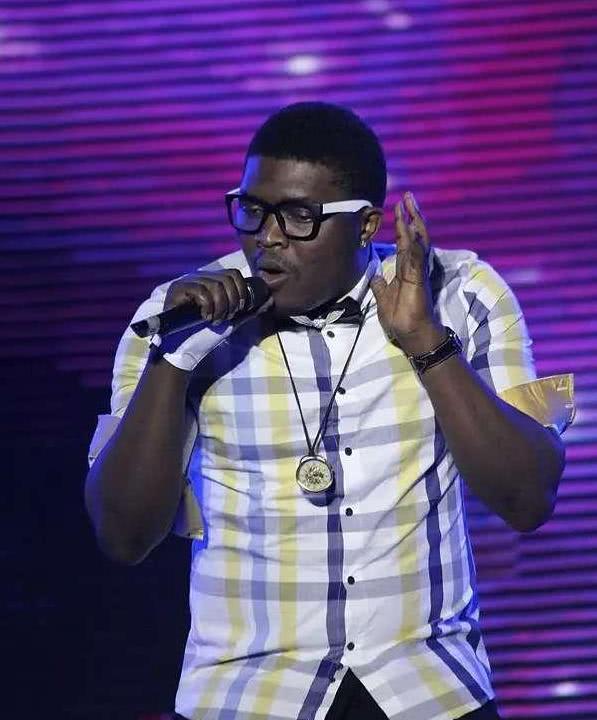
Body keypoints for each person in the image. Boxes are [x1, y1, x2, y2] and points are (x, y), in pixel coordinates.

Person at [85, 102, 575, 720]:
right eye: (252, 210)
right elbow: (122, 536)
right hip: (247, 697)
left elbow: (529, 498)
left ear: (366, 225)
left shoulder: (461, 292)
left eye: (298, 217)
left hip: (428, 691)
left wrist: (426, 343)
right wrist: (173, 362)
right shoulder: (179, 317)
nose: (267, 237)